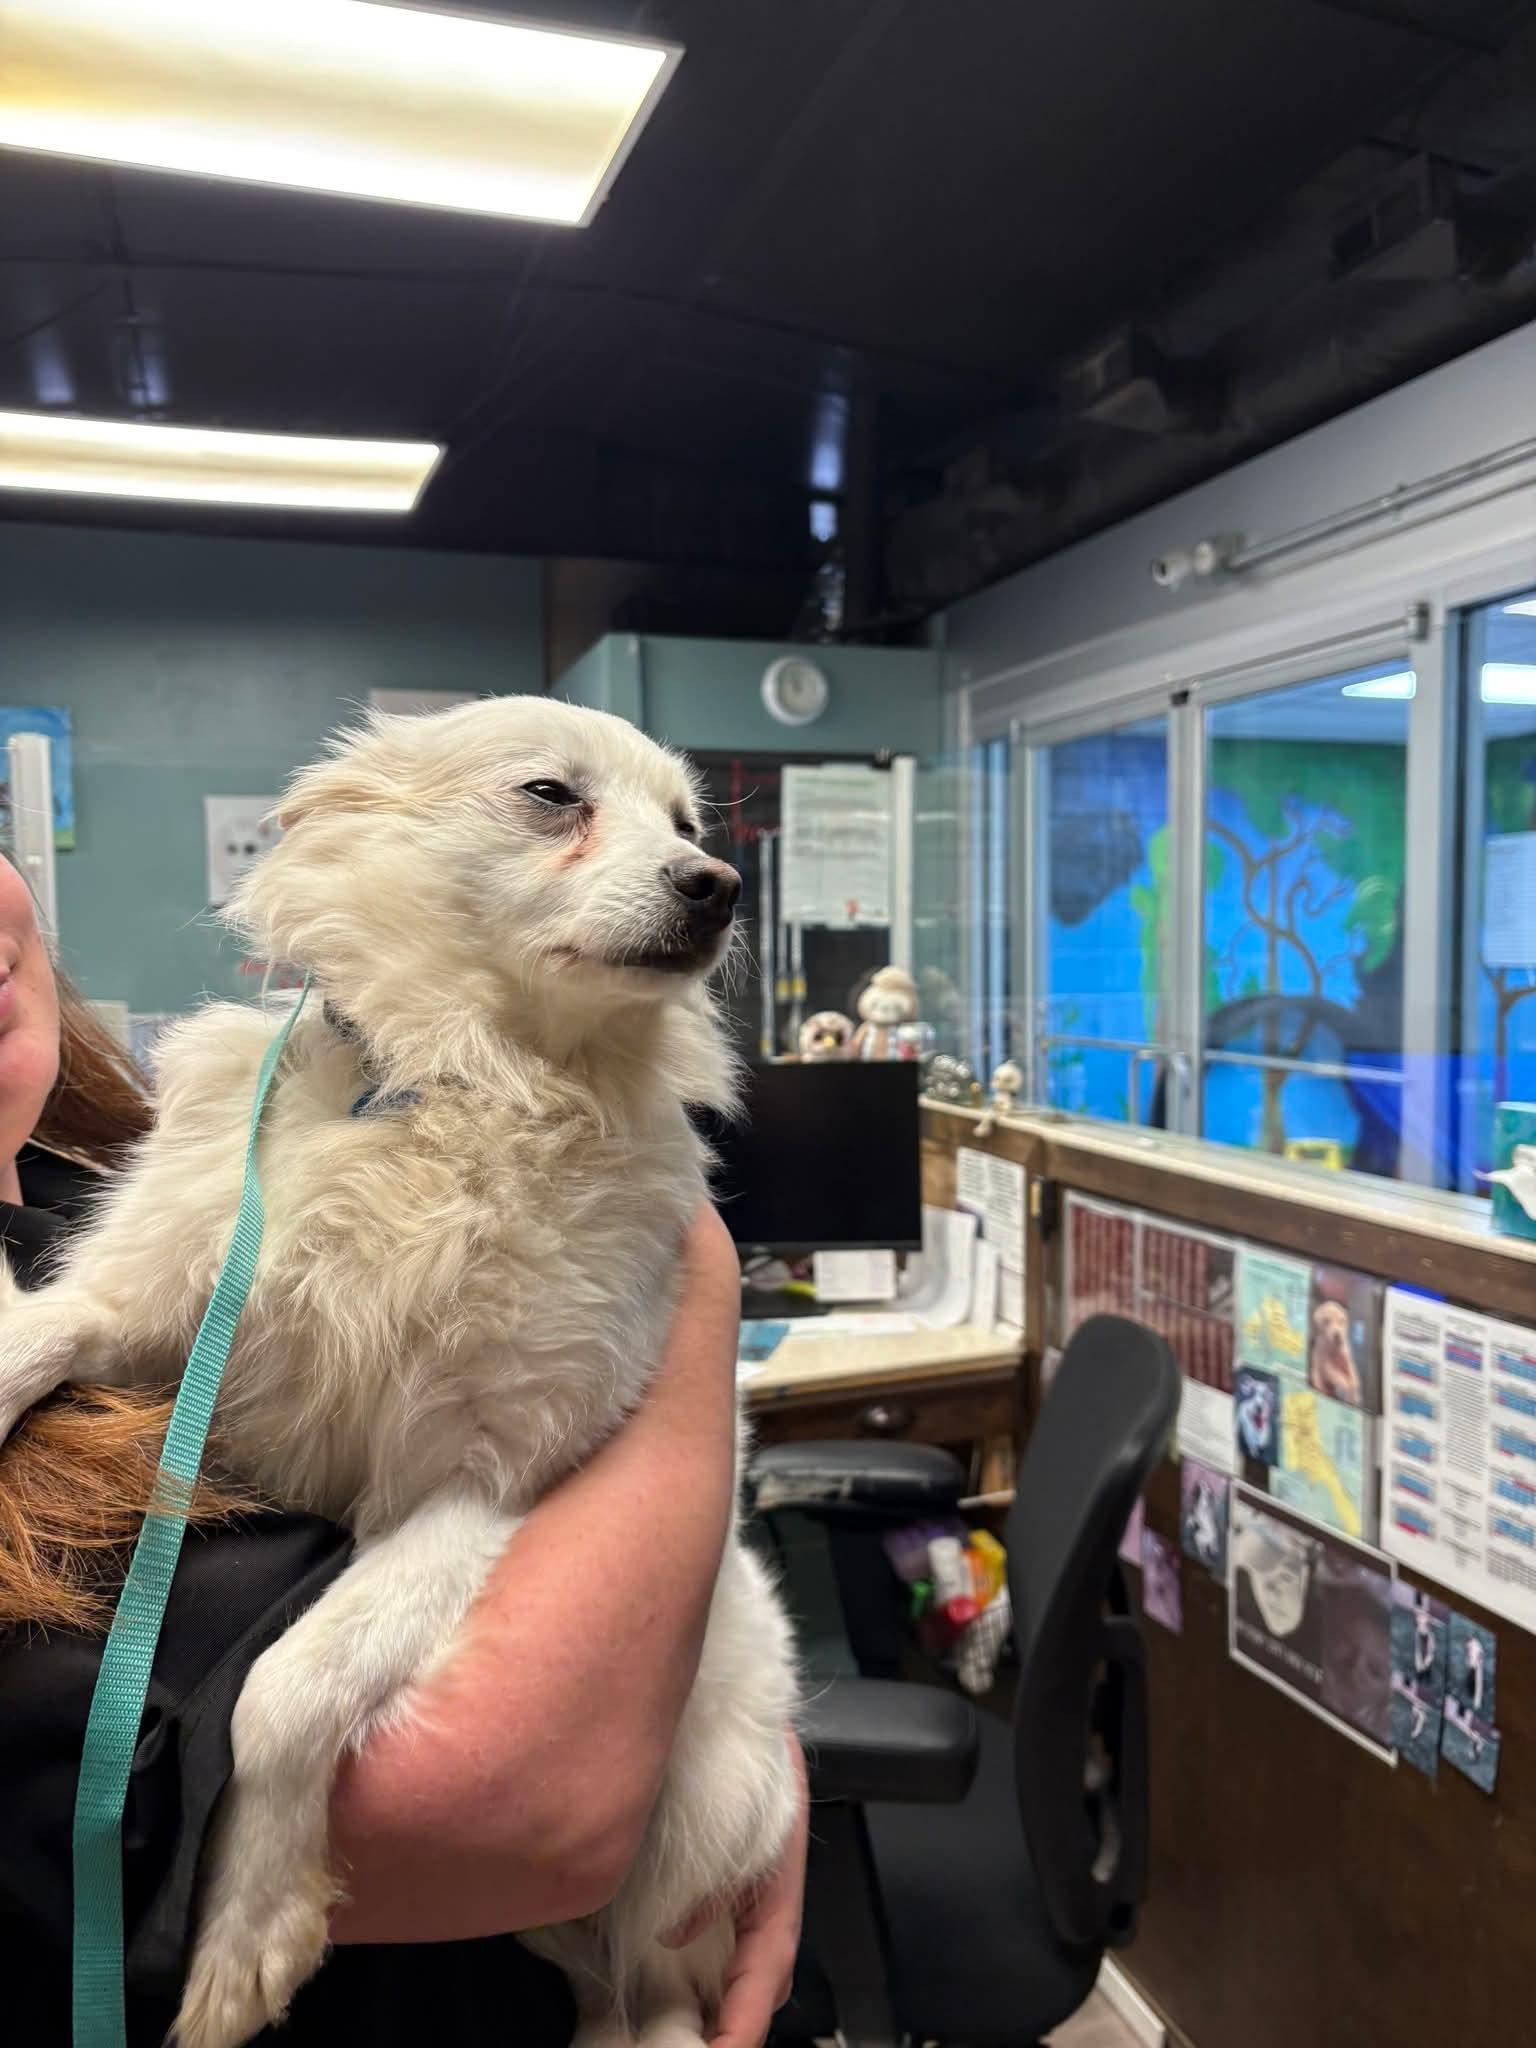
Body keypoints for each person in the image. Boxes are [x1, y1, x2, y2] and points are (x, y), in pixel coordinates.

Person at [0, 853, 807, 2046]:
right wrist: (682, 1255)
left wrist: (708, 1701)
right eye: (551, 809)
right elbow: (542, 1799)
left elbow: (564, 1519)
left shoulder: (110, 1171)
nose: (700, 868)